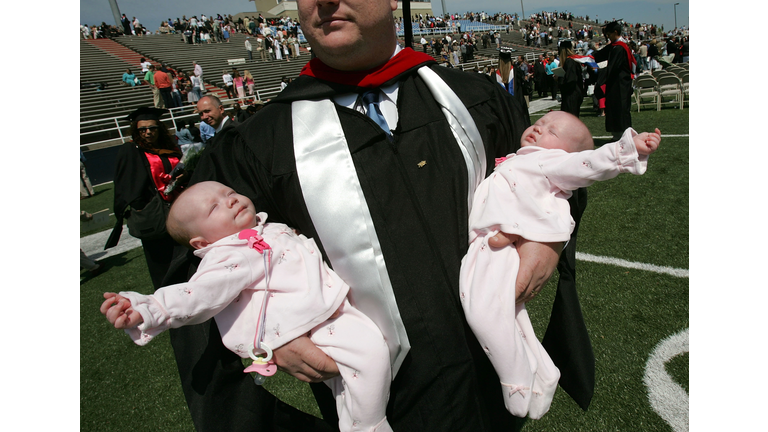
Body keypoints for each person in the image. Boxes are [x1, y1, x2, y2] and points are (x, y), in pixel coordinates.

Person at [159, 0, 595, 430]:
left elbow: (558, 172)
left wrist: (548, 238)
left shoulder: (473, 98)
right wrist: (264, 325)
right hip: (383, 399)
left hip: (494, 381)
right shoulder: (258, 144)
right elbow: (195, 260)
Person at [101, 181, 393, 432]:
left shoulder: (264, 228)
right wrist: (149, 308)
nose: (230, 201)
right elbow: (197, 293)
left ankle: (354, 423)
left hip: (325, 311)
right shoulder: (229, 253)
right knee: (370, 351)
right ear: (201, 242)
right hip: (313, 323)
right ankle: (370, 426)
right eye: (213, 208)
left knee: (349, 383)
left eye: (229, 193)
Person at [460, 111, 660, 420]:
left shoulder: (547, 161)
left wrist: (626, 149)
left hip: (496, 246)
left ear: (564, 152)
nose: (539, 129)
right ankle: (543, 371)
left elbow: (586, 163)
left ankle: (515, 379)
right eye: (539, 123)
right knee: (511, 316)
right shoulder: (519, 159)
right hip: (496, 244)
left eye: (552, 131)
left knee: (482, 309)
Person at [104, 107, 183, 289]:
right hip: (155, 215)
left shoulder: (168, 148)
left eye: (152, 128)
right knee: (162, 263)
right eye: (143, 129)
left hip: (178, 209)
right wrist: (142, 206)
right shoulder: (131, 150)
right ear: (136, 131)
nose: (148, 132)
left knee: (183, 255)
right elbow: (126, 184)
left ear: (159, 128)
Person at [593, 21, 636, 140]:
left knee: (620, 109)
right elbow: (599, 55)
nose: (608, 37)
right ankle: (617, 134)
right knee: (614, 108)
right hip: (616, 85)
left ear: (615, 32)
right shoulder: (615, 46)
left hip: (620, 85)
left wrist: (600, 79)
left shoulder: (619, 48)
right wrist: (587, 59)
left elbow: (612, 68)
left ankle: (623, 136)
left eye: (609, 34)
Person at [558, 40, 587, 117]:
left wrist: (560, 78)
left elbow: (571, 80)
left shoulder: (569, 62)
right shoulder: (573, 61)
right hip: (574, 94)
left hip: (571, 95)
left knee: (570, 118)